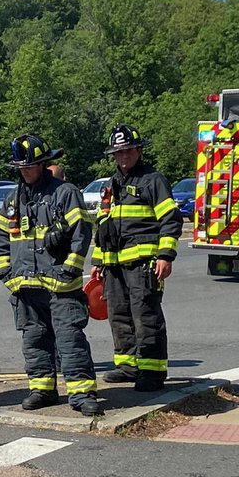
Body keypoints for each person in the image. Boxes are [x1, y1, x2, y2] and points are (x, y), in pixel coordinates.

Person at [0, 134, 100, 416]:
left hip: (61, 287)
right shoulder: (13, 199)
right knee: (34, 340)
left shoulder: (64, 193)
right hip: (26, 288)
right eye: (21, 167)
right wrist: (5, 272)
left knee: (70, 340)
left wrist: (71, 268)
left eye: (30, 166)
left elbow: (82, 232)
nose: (25, 171)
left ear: (43, 164)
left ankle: (82, 394)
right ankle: (42, 390)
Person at [91, 124, 183, 392]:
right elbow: (103, 225)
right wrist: (98, 262)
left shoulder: (153, 180)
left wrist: (165, 256)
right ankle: (128, 366)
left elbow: (170, 219)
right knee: (118, 315)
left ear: (139, 150)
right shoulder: (112, 184)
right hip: (114, 265)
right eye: (118, 153)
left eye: (128, 151)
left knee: (146, 315)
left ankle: (152, 371)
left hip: (144, 264)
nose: (123, 156)